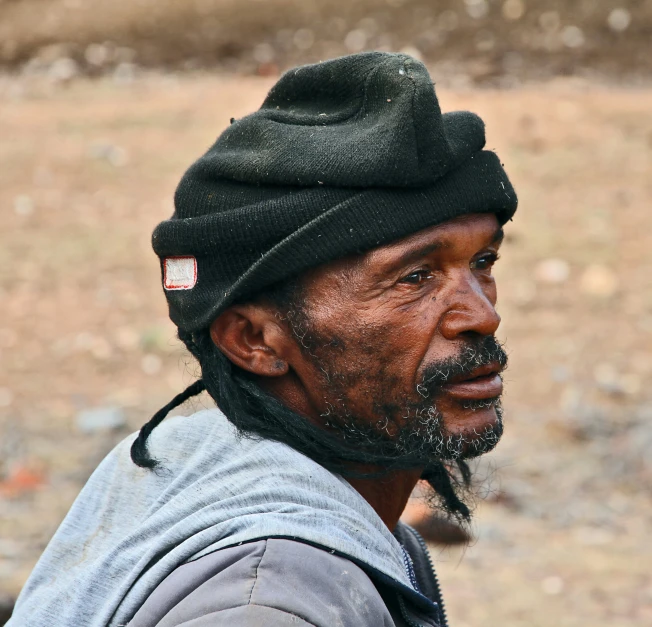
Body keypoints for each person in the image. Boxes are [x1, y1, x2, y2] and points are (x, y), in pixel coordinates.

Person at [9, 52, 517, 627]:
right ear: (255, 340)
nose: (481, 315)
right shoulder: (267, 599)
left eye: (483, 260)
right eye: (415, 277)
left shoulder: (203, 465)